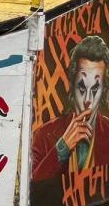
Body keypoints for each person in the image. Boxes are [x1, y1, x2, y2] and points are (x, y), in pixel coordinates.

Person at [32, 35, 109, 182]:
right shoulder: (44, 135)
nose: (87, 100)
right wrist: (62, 147)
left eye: (95, 88)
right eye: (81, 86)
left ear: (103, 89)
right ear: (72, 85)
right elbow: (31, 191)